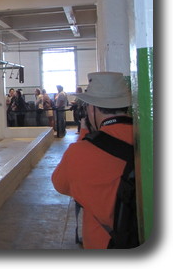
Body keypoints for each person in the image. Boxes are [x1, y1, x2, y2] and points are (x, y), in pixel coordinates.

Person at [52, 72, 134, 249]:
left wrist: (84, 135)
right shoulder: (148, 139)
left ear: (92, 109)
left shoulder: (81, 151)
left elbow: (61, 184)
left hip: (104, 243)